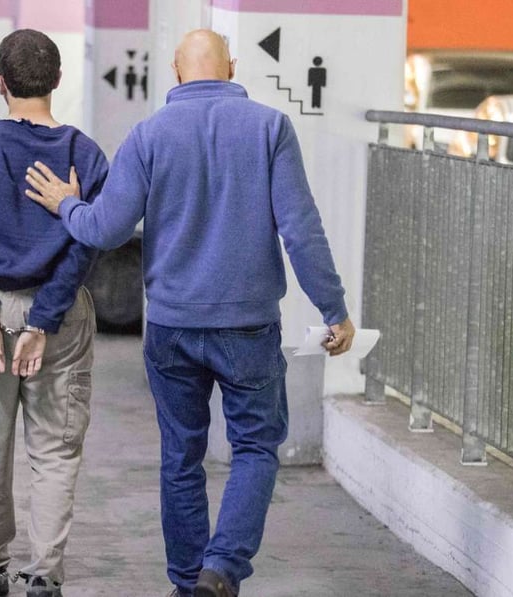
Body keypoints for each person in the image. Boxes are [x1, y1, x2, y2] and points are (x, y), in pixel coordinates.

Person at [25, 29, 355, 597]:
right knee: (255, 447)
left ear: (176, 72)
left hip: (172, 326)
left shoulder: (149, 135)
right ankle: (220, 570)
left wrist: (67, 204)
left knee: (181, 456)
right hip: (248, 327)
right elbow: (301, 231)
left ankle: (186, 585)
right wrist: (334, 310)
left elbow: (106, 229)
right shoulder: (270, 128)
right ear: (232, 67)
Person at [0, 29, 109, 597]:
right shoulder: (85, 154)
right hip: (62, 316)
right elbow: (87, 245)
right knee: (56, 450)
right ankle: (43, 575)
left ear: (1, 82)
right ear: (57, 80)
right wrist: (44, 319)